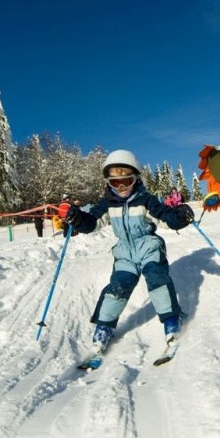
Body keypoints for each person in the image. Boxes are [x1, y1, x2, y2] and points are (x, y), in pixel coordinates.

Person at [64, 149, 195, 364]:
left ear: (136, 179)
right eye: (115, 183)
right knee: (119, 286)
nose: (122, 187)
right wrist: (79, 219)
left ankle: (172, 319)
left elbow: (164, 216)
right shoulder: (107, 203)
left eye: (126, 181)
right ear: (108, 183)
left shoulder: (146, 199)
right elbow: (93, 222)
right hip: (125, 252)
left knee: (157, 279)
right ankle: (104, 328)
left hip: (148, 247)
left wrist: (178, 216)